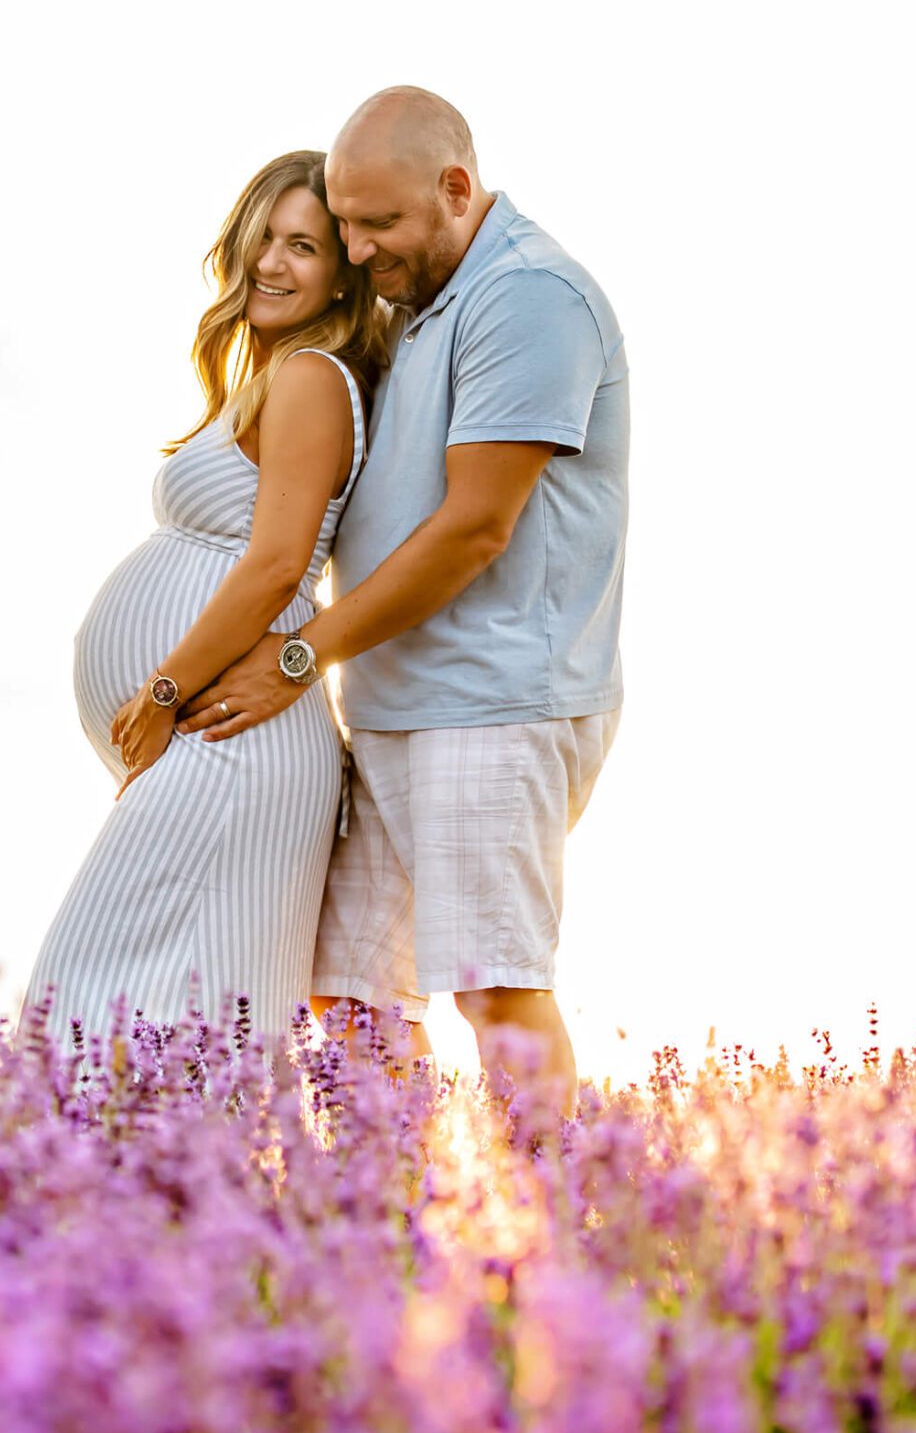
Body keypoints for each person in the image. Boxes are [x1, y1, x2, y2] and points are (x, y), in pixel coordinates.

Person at [175, 88, 630, 1126]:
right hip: (393, 703)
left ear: (457, 188)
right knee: (351, 990)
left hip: (494, 699)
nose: (359, 248)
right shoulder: (419, 302)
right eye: (346, 223)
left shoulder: (527, 298)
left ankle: (580, 1238)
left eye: (379, 224)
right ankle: (381, 1234)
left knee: (495, 986)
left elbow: (475, 527)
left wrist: (295, 657)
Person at [20, 149, 395, 1046]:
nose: (271, 263)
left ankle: (74, 1183)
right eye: (263, 236)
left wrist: (159, 694)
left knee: (90, 995)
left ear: (344, 275)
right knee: (183, 1015)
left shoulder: (310, 378)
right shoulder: (271, 380)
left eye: (303, 245)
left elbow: (274, 567)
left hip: (230, 739)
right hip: (220, 743)